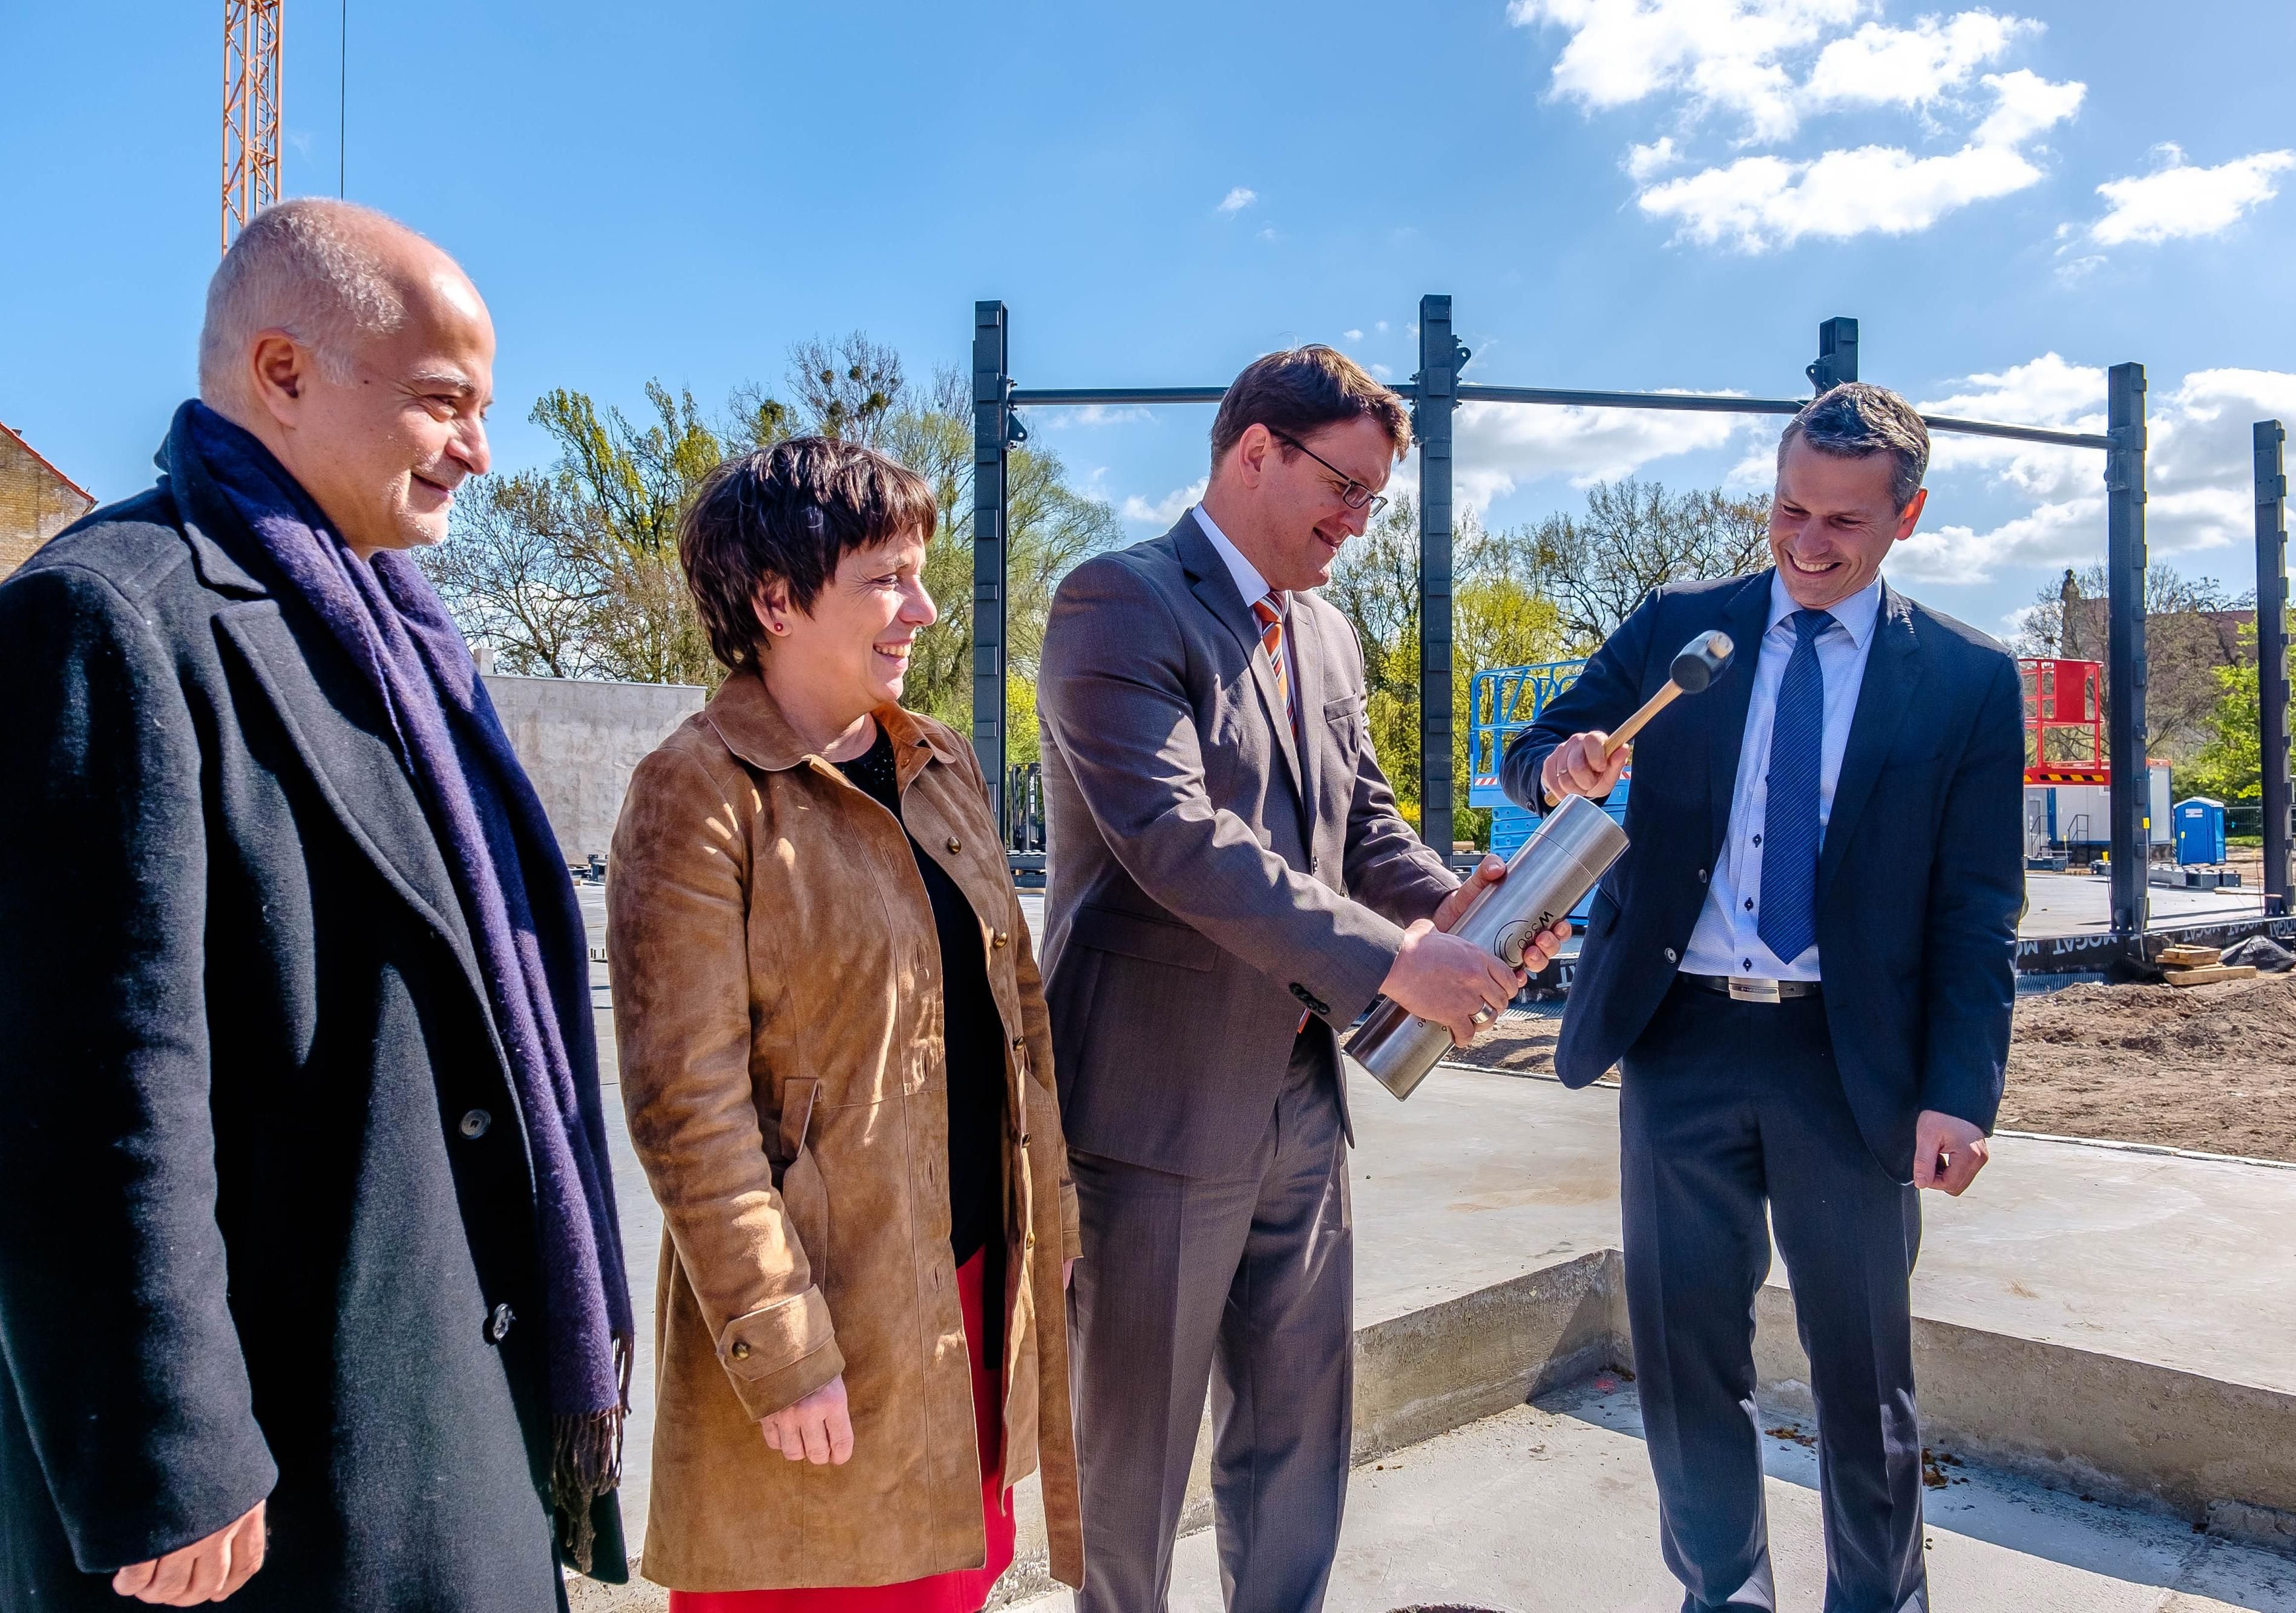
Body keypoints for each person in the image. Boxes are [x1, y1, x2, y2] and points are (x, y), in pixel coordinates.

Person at [0, 198, 632, 1609]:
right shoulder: (110, 615)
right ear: (281, 372)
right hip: (279, 1471)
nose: (479, 445)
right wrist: (169, 1450)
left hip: (445, 1413)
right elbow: (90, 1082)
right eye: (441, 401)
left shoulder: (405, 640)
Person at [1037, 345, 1567, 1613]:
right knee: (1134, 1464)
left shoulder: (1322, 630)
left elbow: (1362, 820)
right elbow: (1176, 840)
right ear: (1253, 450)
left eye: (1377, 501)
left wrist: (1456, 910)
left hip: (1298, 1100)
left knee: (1296, 1440)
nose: (1357, 522)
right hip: (1149, 1110)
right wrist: (1400, 962)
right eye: (1344, 486)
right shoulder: (1116, 602)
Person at [1501, 382, 2024, 1613]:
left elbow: (1975, 910)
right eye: (1788, 506)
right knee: (1682, 1360)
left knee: (1861, 1370)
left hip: (1849, 1063)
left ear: (1908, 514)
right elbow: (1537, 748)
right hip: (1677, 1038)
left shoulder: (1963, 680)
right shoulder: (1685, 626)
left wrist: (1957, 1093)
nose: (1805, 540)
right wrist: (1559, 764)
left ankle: (1876, 1598)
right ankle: (1721, 1591)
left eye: (1842, 519)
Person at [605, 435, 1083, 1610]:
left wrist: (1061, 1254)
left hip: (964, 1301)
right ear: (773, 599)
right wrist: (783, 1348)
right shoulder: (696, 789)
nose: (921, 608)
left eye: (918, 574)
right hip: (831, 1322)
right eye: (885, 578)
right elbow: (687, 1109)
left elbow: (1015, 1018)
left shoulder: (940, 763)